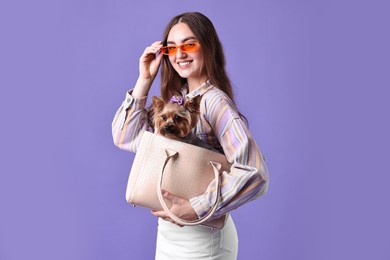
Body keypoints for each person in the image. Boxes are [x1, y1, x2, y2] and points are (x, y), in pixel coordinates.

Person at [112, 12, 269, 260]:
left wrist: (196, 207)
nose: (180, 54)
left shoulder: (215, 102)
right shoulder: (178, 99)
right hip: (169, 233)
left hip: (203, 239)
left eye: (189, 44)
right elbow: (126, 138)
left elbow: (255, 172)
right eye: (171, 48)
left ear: (207, 46)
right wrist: (144, 80)